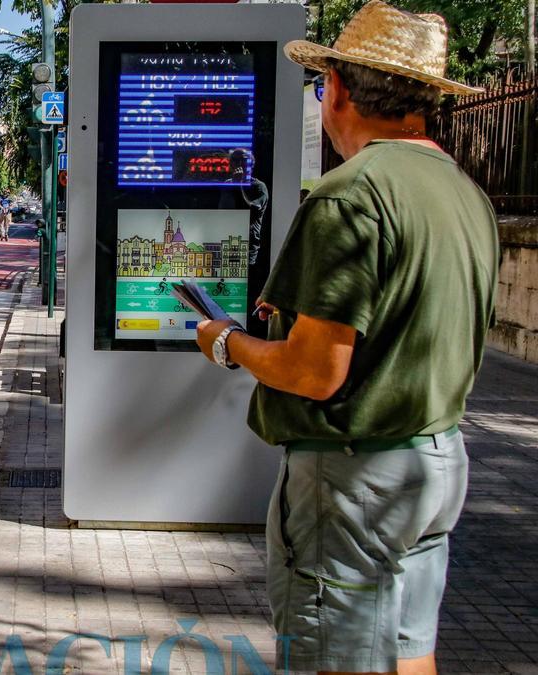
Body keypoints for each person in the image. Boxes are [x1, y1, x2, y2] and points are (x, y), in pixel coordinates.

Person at [192, 3, 497, 673]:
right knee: (409, 650)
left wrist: (227, 341)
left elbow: (313, 372)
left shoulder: (350, 195)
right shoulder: (464, 194)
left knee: (333, 654)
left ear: (339, 90)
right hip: (434, 463)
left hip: (356, 480)